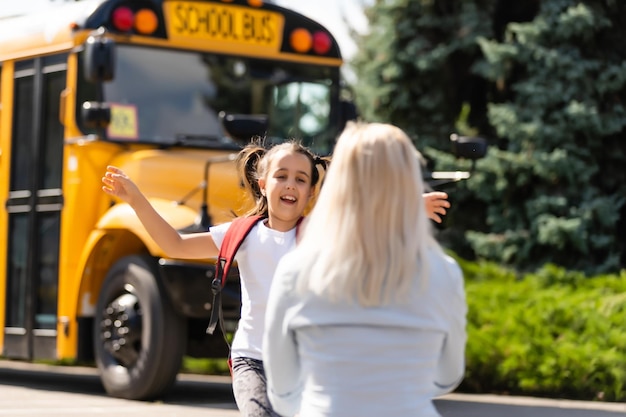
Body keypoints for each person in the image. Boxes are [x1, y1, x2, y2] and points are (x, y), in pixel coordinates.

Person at [101, 137, 452, 416]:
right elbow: (173, 243)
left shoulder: (319, 232)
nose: (290, 185)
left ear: (311, 192)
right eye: (281, 175)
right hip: (251, 360)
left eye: (301, 179)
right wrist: (135, 198)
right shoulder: (242, 234)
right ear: (262, 182)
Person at [262, 122, 468, 417]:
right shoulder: (445, 273)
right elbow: (448, 375)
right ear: (408, 181)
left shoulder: (296, 269)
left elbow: (281, 387)